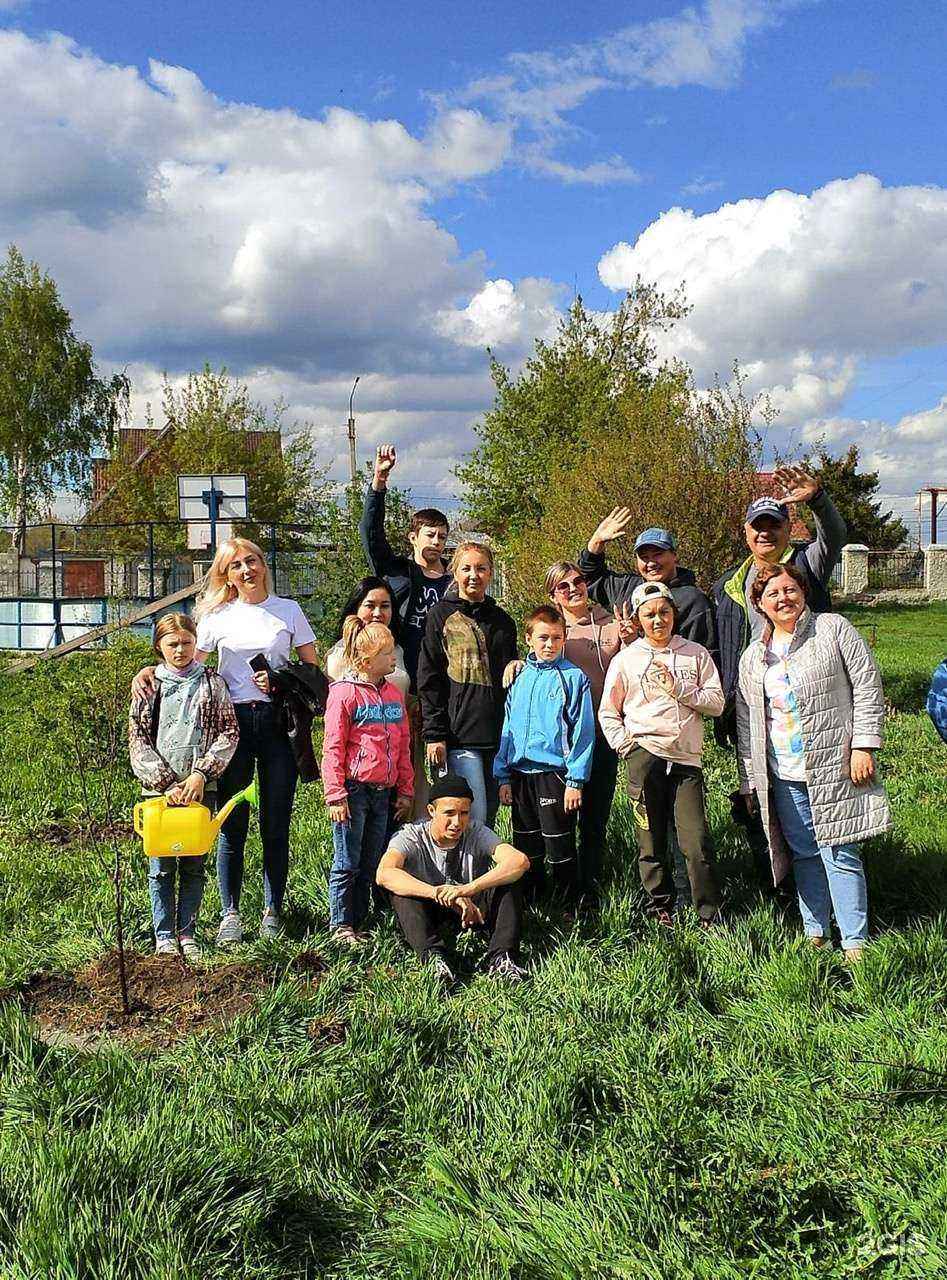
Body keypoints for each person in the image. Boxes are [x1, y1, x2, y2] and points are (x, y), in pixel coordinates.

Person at [131, 538, 320, 944]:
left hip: (276, 723)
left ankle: (273, 911)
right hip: (230, 726)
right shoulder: (218, 616)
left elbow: (312, 670)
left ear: (263, 564)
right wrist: (145, 671)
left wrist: (280, 680)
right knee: (231, 823)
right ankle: (230, 913)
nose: (246, 570)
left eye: (251, 561)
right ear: (227, 575)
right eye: (236, 566)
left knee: (275, 823)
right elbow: (183, 665)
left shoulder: (288, 611)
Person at [736, 563, 891, 960]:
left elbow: (867, 685)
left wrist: (864, 745)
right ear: (759, 604)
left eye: (789, 589)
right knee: (804, 852)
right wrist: (751, 779)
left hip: (832, 764)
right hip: (782, 771)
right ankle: (816, 930)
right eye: (772, 594)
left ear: (802, 592)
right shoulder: (754, 657)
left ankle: (855, 941)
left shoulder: (832, 629)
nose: (783, 599)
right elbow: (747, 720)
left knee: (839, 850)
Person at [713, 466, 847, 890]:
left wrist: (818, 500)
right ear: (747, 533)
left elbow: (835, 538)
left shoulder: (805, 566)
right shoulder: (729, 585)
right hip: (752, 707)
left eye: (774, 526)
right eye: (758, 527)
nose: (765, 534)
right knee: (760, 794)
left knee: (815, 791)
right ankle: (779, 886)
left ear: (788, 529)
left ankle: (829, 882)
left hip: (808, 702)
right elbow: (722, 647)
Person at [599, 581, 725, 927]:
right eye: (649, 615)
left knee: (695, 842)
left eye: (664, 612)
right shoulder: (626, 659)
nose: (658, 620)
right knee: (649, 839)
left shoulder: (695, 654)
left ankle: (707, 913)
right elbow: (608, 711)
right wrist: (626, 745)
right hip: (644, 757)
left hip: (686, 761)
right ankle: (661, 908)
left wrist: (679, 687)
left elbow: (716, 703)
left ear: (674, 614)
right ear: (638, 620)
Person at [129, 613, 239, 958]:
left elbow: (228, 731)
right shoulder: (149, 686)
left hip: (198, 790)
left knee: (194, 862)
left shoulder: (211, 682)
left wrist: (201, 773)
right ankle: (163, 934)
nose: (180, 650)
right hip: (159, 793)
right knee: (161, 866)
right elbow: (138, 740)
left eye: (187, 642)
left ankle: (187, 931)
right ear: (159, 646)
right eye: (172, 644)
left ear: (196, 642)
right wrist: (164, 782)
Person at [360, 444, 452, 815]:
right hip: (399, 684)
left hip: (442, 691)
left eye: (442, 536)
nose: (436, 542)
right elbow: (371, 535)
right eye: (429, 534)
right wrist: (379, 482)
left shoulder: (454, 582)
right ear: (414, 537)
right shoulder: (398, 573)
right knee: (397, 771)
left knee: (436, 776)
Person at [376, 772, 531, 985]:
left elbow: (519, 861)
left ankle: (501, 959)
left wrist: (468, 889)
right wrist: (437, 893)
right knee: (402, 893)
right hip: (430, 908)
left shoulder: (475, 831)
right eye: (449, 813)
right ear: (431, 811)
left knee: (510, 881)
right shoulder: (411, 835)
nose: (457, 822)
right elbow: (384, 873)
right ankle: (433, 959)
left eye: (464, 813)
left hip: (473, 908)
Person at [494, 605, 595, 903]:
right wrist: (502, 776)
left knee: (559, 846)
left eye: (556, 638)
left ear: (564, 639)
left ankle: (567, 906)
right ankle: (531, 903)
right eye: (543, 638)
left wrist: (575, 780)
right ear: (529, 639)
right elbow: (508, 726)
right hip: (520, 775)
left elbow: (583, 731)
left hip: (555, 775)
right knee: (527, 845)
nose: (549, 644)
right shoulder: (519, 677)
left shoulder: (573, 678)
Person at [321, 618, 413, 946]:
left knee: (372, 859)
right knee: (348, 860)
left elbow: (402, 744)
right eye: (387, 654)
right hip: (353, 791)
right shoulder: (343, 694)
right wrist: (335, 794)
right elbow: (332, 746)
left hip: (383, 792)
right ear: (365, 661)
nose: (393, 659)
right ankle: (340, 924)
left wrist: (405, 789)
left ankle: (361, 921)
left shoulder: (392, 695)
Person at [417, 540, 518, 828]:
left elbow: (512, 673)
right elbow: (430, 677)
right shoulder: (440, 616)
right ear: (455, 573)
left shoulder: (503, 621)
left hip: (499, 737)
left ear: (491, 573)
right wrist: (434, 733)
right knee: (470, 819)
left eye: (481, 568)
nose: (474, 575)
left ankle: (483, 872)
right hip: (459, 736)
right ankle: (461, 874)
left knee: (489, 818)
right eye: (467, 568)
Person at [578, 513, 716, 655]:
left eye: (658, 554)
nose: (651, 563)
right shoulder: (627, 588)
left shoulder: (694, 600)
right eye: (644, 557)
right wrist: (596, 543)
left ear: (674, 555)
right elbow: (588, 578)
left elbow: (705, 655)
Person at [325, 576, 410, 697]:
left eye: (385, 606)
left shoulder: (399, 649)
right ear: (356, 608)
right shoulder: (340, 653)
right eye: (370, 606)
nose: (377, 613)